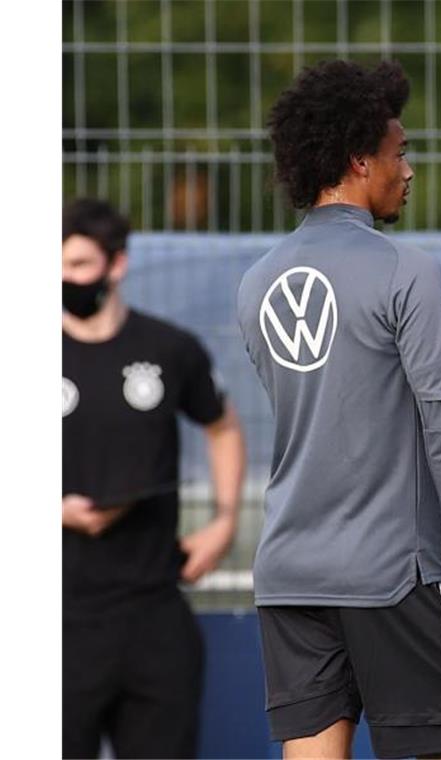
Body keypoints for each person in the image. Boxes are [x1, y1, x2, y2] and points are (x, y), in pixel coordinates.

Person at [236, 59, 441, 760]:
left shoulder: (258, 282)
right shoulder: (405, 269)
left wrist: (423, 354)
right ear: (360, 161)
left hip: (291, 575)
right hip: (393, 574)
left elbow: (337, 402)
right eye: (400, 152)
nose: (408, 169)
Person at [62, 198, 247, 758]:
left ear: (117, 265)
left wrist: (225, 521)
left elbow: (223, 428)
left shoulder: (167, 350)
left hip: (152, 605)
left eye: (77, 266)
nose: (63, 280)